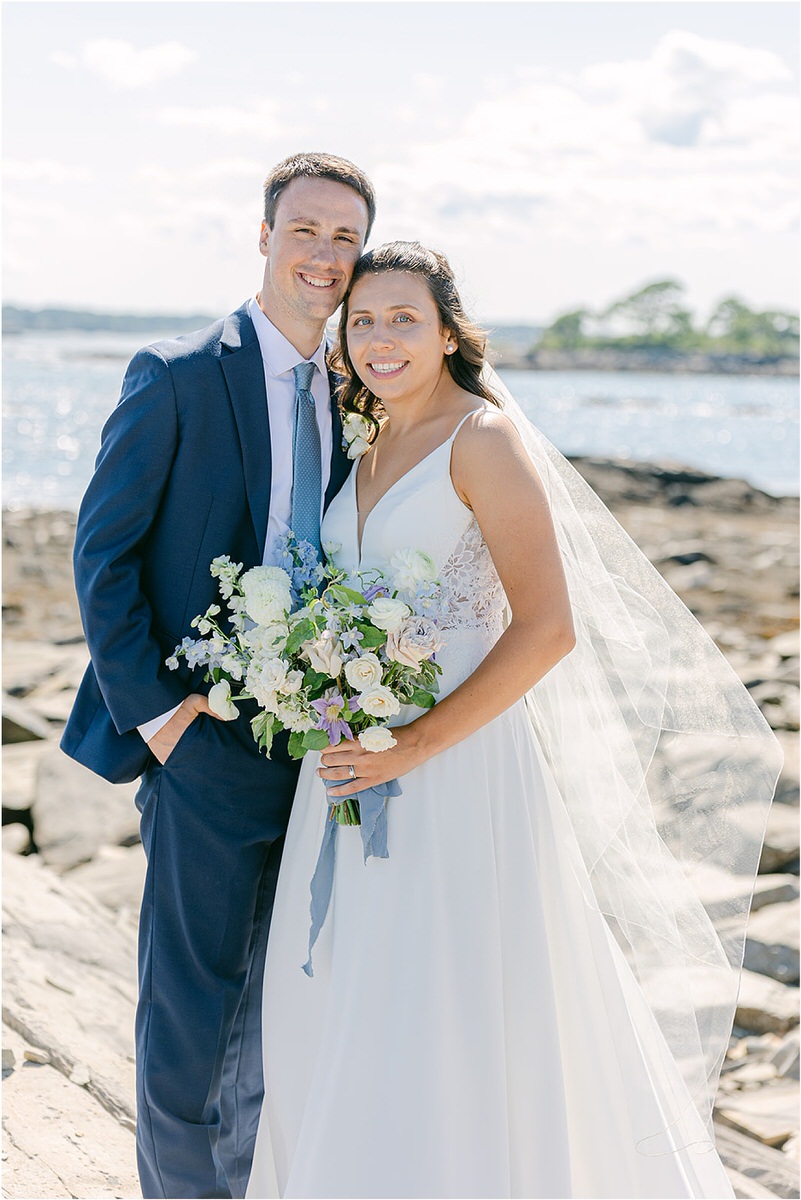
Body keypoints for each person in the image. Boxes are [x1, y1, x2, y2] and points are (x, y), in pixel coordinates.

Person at [244, 242, 780, 1199]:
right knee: (342, 1001)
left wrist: (410, 744)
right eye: (361, 320)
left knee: (446, 1003)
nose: (378, 339)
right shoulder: (364, 441)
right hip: (346, 771)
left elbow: (547, 628)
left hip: (454, 774)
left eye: (403, 318)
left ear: (448, 331)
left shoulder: (481, 440)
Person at [60, 152, 375, 1199]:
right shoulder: (179, 372)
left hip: (321, 750)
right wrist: (158, 719)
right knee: (192, 1020)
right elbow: (101, 554)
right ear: (264, 235)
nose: (325, 257)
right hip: (202, 744)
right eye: (306, 231)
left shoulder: (354, 388)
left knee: (285, 1011)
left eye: (345, 239)